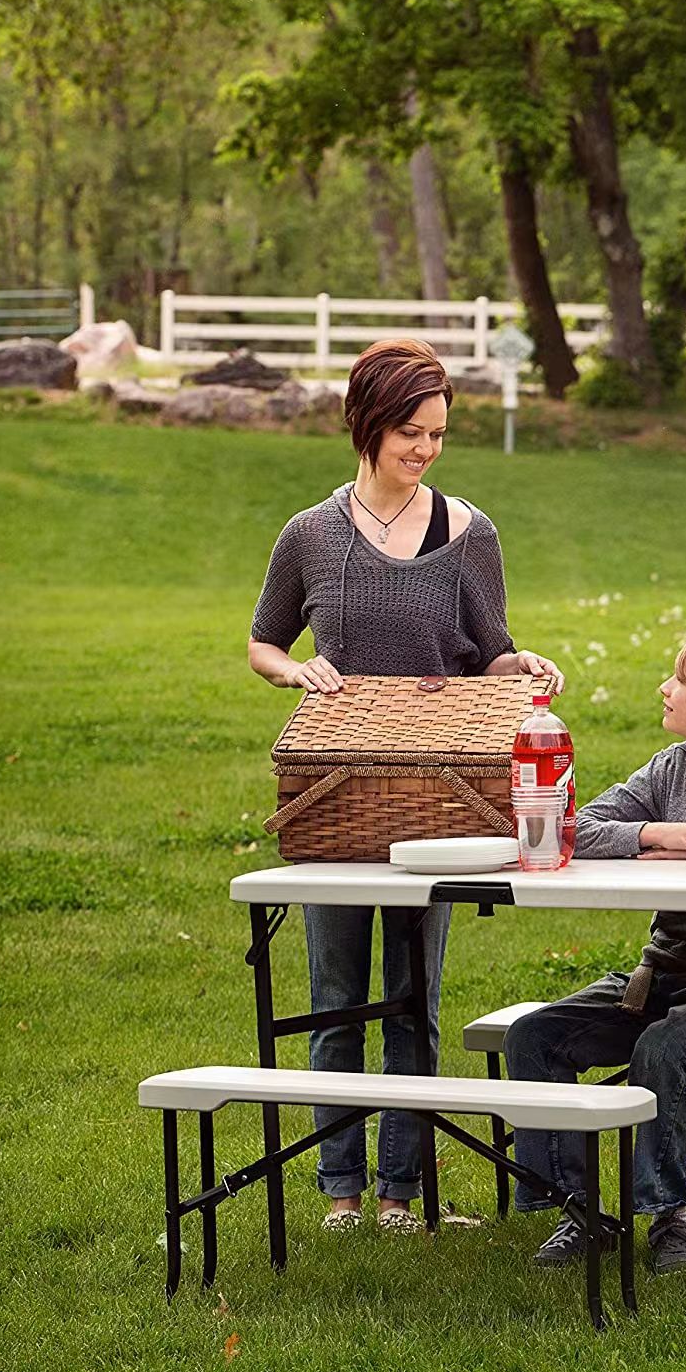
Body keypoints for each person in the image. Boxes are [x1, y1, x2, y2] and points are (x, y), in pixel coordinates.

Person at [248, 338, 563, 1232]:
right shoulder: (310, 535)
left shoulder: (469, 532)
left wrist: (518, 664)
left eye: (437, 435)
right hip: (339, 794)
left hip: (439, 800)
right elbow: (263, 638)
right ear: (366, 423)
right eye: (410, 433)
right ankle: (339, 1193)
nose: (425, 450)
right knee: (336, 1000)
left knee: (414, 1005)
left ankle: (400, 1195)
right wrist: (290, 673)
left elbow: (489, 648)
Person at [504, 627, 686, 1273]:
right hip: (661, 976)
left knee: (662, 1048)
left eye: (681, 681)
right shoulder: (669, 770)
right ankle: (581, 1213)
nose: (665, 688)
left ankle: (670, 1217)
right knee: (532, 1037)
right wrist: (651, 833)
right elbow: (568, 826)